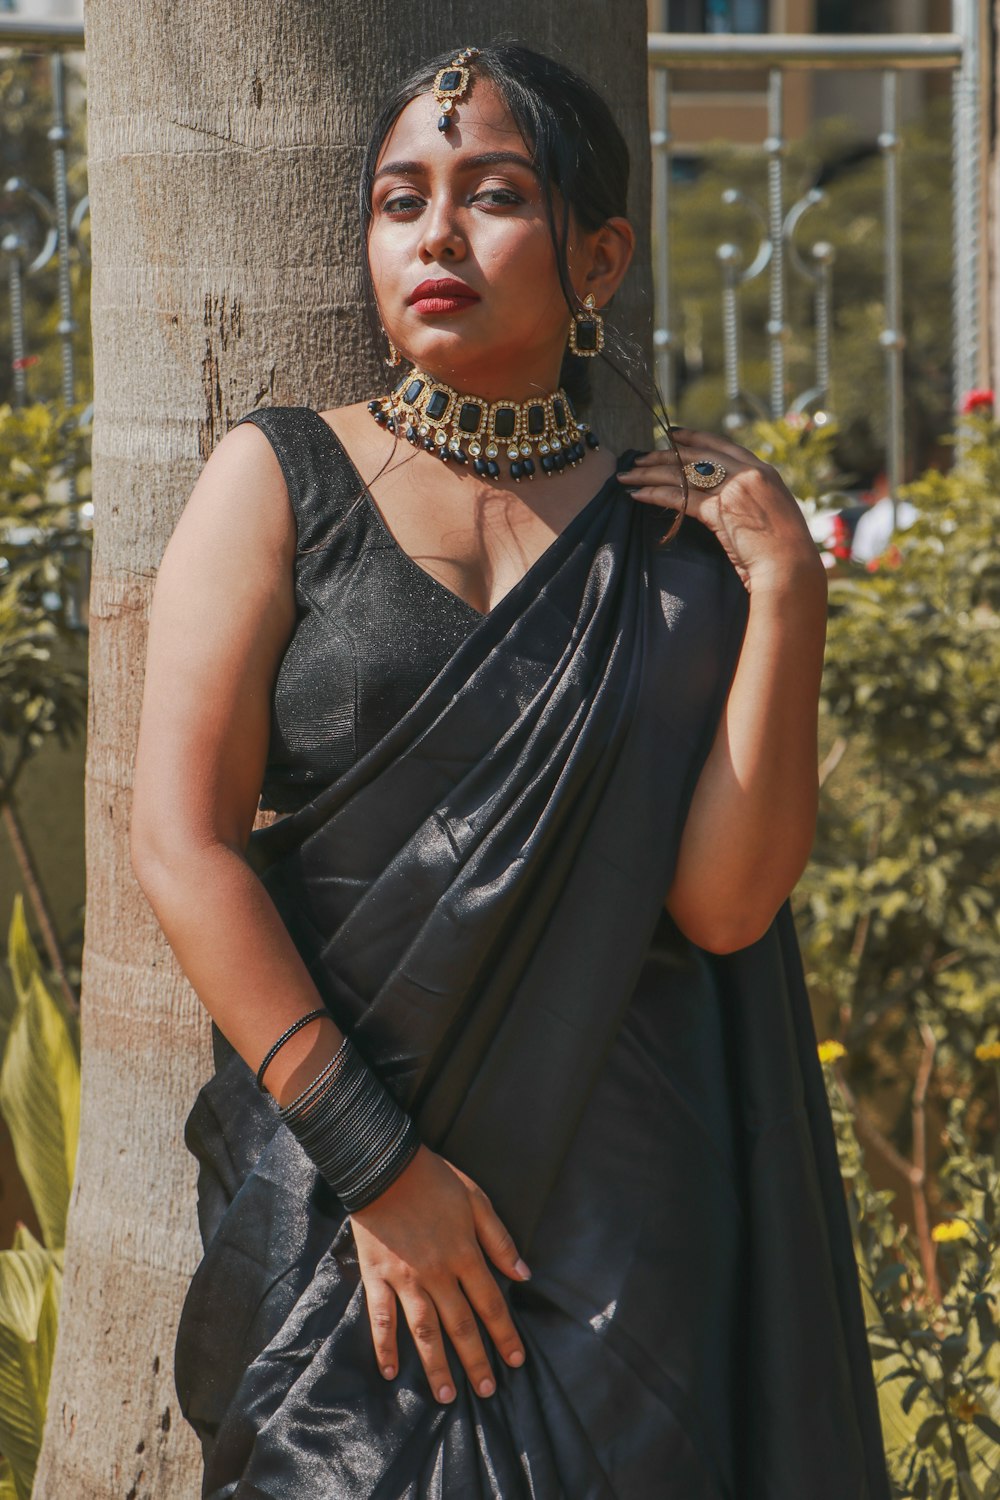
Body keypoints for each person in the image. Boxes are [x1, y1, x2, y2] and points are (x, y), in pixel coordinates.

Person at [129, 38, 892, 1500]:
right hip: (347, 1209)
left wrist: (787, 586)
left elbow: (726, 909)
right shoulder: (281, 481)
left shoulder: (678, 548)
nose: (435, 233)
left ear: (597, 256)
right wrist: (380, 1170)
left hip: (626, 1229)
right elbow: (184, 843)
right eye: (400, 199)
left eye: (491, 195)